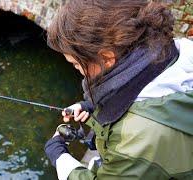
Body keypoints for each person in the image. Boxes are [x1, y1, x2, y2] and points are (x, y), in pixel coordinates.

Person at [44, 0, 193, 179]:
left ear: (107, 58)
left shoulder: (137, 138)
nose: (77, 69)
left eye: (76, 64)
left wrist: (59, 156)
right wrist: (92, 108)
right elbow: (148, 100)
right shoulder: (174, 52)